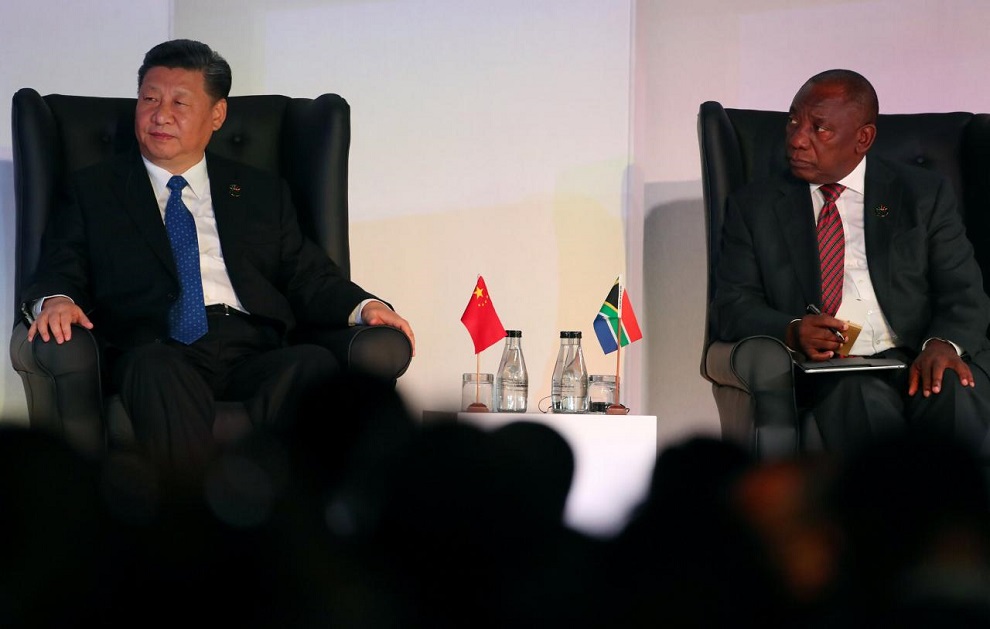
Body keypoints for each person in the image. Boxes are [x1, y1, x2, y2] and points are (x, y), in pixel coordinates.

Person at [21, 39, 416, 475]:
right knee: (155, 368)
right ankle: (193, 523)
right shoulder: (93, 190)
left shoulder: (260, 192)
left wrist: (365, 307)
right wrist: (56, 299)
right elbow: (60, 264)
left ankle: (291, 522)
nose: (160, 114)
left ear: (217, 115)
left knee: (314, 365)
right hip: (156, 346)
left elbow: (308, 275)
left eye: (179, 102)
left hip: (250, 346)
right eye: (149, 98)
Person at [714, 68, 990, 459]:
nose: (796, 139)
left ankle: (957, 517)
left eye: (818, 128)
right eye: (793, 121)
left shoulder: (921, 195)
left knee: (952, 390)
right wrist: (792, 330)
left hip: (916, 352)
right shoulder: (755, 206)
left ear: (863, 138)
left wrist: (942, 344)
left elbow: (964, 293)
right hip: (838, 369)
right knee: (860, 401)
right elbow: (732, 306)